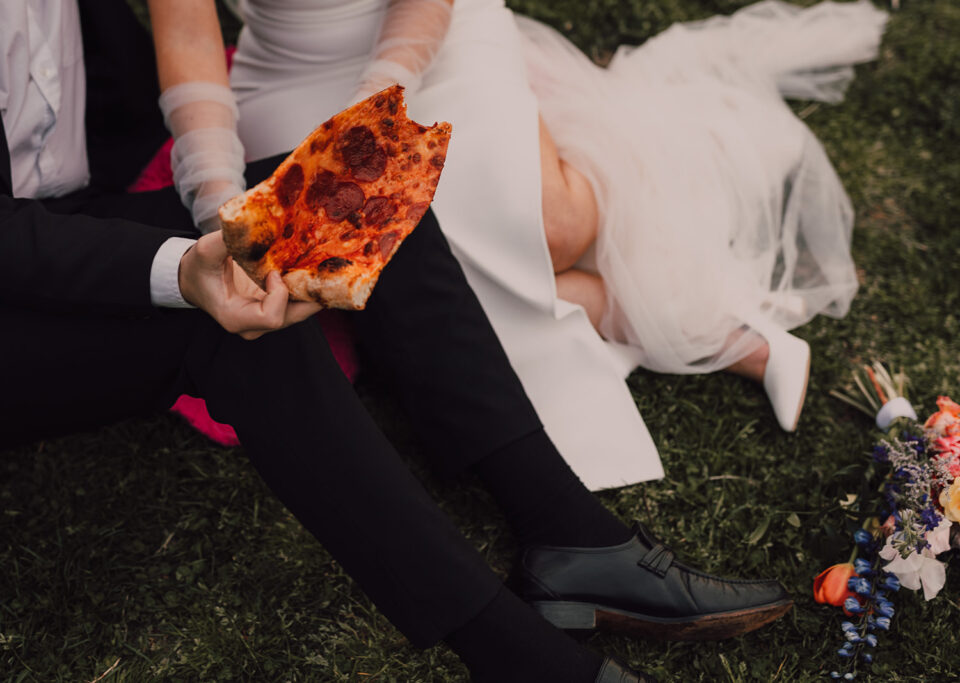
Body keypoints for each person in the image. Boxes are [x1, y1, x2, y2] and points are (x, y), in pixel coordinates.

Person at [0, 1, 793, 681]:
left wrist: (230, 225)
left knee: (349, 193)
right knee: (234, 331)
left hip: (65, 221)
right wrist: (187, 263)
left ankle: (570, 536)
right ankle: (517, 656)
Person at [225, 0, 888, 466]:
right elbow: (190, 48)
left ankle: (601, 175)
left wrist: (370, 119)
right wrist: (212, 212)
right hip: (288, 77)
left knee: (555, 230)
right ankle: (703, 325)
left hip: (431, 32)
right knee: (420, 299)